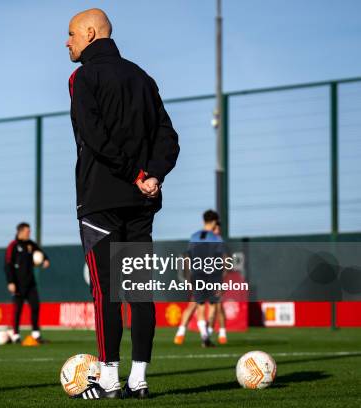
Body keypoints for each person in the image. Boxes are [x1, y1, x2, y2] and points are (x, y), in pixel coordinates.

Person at [66, 8, 180, 399]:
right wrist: (153, 176)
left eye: (71, 34)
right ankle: (140, 379)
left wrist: (134, 174)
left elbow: (94, 136)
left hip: (101, 201)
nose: (67, 42)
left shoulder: (83, 77)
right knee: (140, 291)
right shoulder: (143, 78)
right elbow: (169, 137)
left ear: (91, 33)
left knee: (107, 292)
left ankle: (110, 380)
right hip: (142, 202)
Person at [174, 210, 226, 348]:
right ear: (214, 222)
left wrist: (188, 275)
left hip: (197, 274)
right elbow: (222, 259)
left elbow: (187, 257)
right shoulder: (216, 238)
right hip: (213, 275)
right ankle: (206, 336)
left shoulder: (194, 236)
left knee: (200, 305)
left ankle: (203, 334)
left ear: (204, 221)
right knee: (214, 305)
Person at [4, 222, 50, 344]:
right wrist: (11, 282)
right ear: (20, 232)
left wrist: (45, 260)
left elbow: (42, 253)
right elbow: (7, 265)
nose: (29, 233)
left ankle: (36, 334)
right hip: (17, 284)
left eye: (29, 231)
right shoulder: (12, 246)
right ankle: (15, 335)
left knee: (35, 306)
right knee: (17, 310)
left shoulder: (31, 244)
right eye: (27, 231)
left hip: (30, 283)